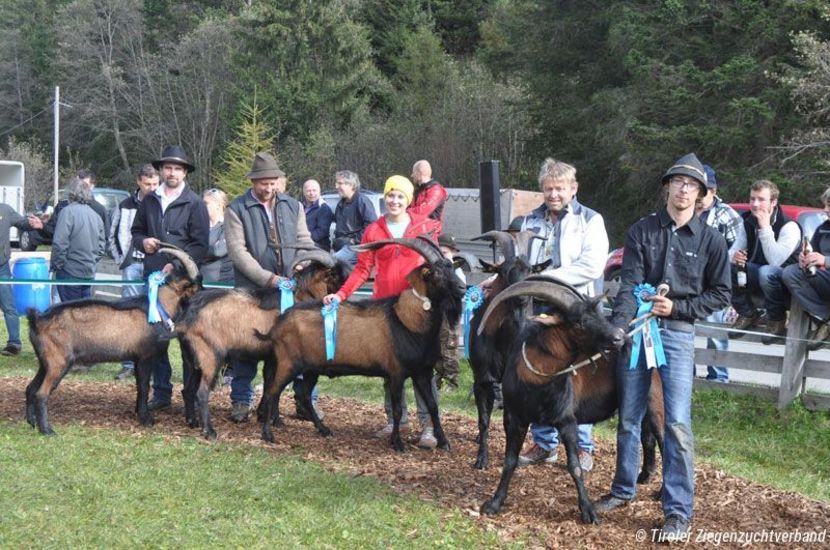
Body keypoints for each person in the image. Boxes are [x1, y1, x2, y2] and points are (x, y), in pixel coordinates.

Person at [596, 153, 730, 542]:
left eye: (692, 185)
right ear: (667, 187)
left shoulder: (712, 241)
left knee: (676, 424)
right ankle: (623, 490)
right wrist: (619, 328)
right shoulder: (642, 231)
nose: (684, 189)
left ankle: (677, 511)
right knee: (629, 417)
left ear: (702, 194)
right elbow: (628, 284)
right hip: (638, 331)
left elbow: (720, 293)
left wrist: (679, 308)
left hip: (678, 334)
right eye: (678, 182)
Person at [323, 175, 440, 449]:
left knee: (423, 369)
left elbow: (436, 266)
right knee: (390, 367)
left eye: (400, 196)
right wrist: (340, 295)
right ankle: (395, 420)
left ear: (408, 200)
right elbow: (363, 270)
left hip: (416, 311)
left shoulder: (422, 227)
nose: (394, 201)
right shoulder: (374, 230)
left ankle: (429, 425)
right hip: (386, 310)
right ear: (384, 198)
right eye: (390, 195)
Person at [512, 158, 609, 474]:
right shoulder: (530, 222)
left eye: (560, 188)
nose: (554, 194)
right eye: (548, 188)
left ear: (573, 188)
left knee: (577, 376)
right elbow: (523, 263)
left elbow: (592, 266)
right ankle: (544, 444)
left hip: (576, 313)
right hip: (538, 308)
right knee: (538, 372)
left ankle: (581, 446)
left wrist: (549, 279)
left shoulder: (590, 220)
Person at [224, 152, 318, 423]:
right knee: (247, 347)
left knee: (297, 347)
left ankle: (303, 402)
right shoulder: (236, 209)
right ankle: (241, 401)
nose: (268, 188)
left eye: (273, 182)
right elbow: (238, 252)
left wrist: (303, 262)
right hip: (252, 293)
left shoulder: (293, 206)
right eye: (263, 183)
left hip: (290, 290)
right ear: (253, 181)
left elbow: (304, 240)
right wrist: (269, 278)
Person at [132, 145, 209, 411]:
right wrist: (143, 242)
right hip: (153, 279)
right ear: (161, 170)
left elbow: (200, 245)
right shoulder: (149, 200)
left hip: (183, 284)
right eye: (168, 167)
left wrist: (174, 264)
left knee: (189, 339)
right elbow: (136, 231)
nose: (172, 172)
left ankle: (191, 397)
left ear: (185, 172)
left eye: (177, 168)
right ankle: (162, 392)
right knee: (156, 339)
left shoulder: (196, 203)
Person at [729, 179, 801, 344]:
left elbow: (775, 261)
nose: (755, 204)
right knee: (728, 266)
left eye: (761, 199)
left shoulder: (789, 226)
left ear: (773, 202)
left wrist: (765, 227)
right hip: (759, 277)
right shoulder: (748, 222)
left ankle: (777, 320)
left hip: (786, 283)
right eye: (752, 199)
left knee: (767, 271)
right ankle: (747, 313)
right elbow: (732, 251)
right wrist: (735, 256)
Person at [110, 164, 160, 380]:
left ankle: (150, 362)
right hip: (132, 265)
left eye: (155, 184)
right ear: (139, 182)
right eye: (148, 184)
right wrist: (121, 258)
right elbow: (112, 234)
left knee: (153, 314)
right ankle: (128, 362)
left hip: (155, 268)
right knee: (128, 314)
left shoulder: (161, 204)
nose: (151, 188)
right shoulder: (125, 205)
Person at [696, 164, 744, 382]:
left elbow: (738, 253)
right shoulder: (685, 212)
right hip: (688, 281)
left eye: (703, 190)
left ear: (713, 191)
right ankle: (686, 374)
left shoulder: (728, 216)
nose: (698, 195)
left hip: (715, 281)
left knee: (715, 331)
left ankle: (718, 378)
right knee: (683, 332)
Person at [782, 187, 830, 351]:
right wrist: (805, 258)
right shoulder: (823, 228)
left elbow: (823, 259)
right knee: (790, 272)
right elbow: (812, 251)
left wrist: (825, 260)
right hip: (823, 279)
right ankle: (825, 318)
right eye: (825, 205)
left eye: (829, 205)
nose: (825, 210)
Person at [50, 176, 105, 302]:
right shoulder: (96, 216)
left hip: (69, 272)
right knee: (84, 314)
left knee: (69, 312)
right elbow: (101, 247)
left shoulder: (67, 212)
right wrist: (91, 261)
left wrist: (57, 265)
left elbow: (59, 243)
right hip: (89, 273)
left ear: (71, 193)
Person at [0, 205, 42, 356]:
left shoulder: (4, 210)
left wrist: (32, 224)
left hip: (1, 266)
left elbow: (22, 223)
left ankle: (14, 344)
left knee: (8, 306)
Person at [331, 170, 377, 266]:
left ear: (351, 185)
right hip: (342, 247)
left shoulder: (362, 201)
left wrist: (354, 240)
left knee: (331, 261)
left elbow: (372, 226)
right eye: (336, 183)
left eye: (340, 183)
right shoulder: (341, 203)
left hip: (357, 247)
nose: (336, 187)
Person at [436, 233, 464, 389]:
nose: (443, 256)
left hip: (449, 315)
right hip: (437, 313)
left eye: (446, 253)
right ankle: (439, 377)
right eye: (440, 253)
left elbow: (459, 292)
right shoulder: (437, 270)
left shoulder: (456, 271)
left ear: (453, 253)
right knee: (437, 347)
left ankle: (452, 381)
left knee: (449, 347)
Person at [201, 188, 233, 284]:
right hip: (201, 279)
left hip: (221, 281)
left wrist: (197, 250)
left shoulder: (230, 225)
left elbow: (218, 251)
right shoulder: (201, 226)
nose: (202, 207)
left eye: (206, 203)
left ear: (218, 205)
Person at [408, 160, 448, 230]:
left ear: (419, 173)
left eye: (413, 172)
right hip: (417, 230)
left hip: (430, 233)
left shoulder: (436, 190)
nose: (412, 175)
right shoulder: (418, 190)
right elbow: (409, 206)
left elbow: (423, 211)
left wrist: (403, 212)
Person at [302, 179, 333, 251]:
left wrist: (304, 239)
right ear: (304, 192)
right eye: (308, 191)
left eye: (314, 190)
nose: (311, 193)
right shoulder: (299, 207)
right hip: (302, 244)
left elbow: (321, 232)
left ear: (319, 191)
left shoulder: (324, 208)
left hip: (319, 247)